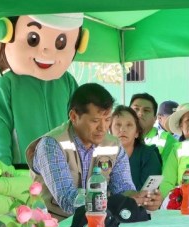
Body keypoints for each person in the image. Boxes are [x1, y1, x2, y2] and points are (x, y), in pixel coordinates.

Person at [27, 83, 159, 219]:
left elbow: (123, 189)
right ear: (73, 116)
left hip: (100, 224)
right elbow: (68, 200)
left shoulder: (114, 145)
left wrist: (139, 198)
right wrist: (114, 203)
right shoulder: (51, 145)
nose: (102, 127)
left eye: (107, 120)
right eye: (95, 120)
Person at [0, 14, 87, 166]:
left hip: (63, 167)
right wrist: (5, 172)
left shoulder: (67, 81)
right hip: (24, 169)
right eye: (33, 39)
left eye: (61, 42)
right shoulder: (5, 86)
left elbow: (79, 124)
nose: (46, 52)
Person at [110, 105, 163, 191]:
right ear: (110, 131)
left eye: (129, 125)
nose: (122, 129)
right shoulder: (100, 154)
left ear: (137, 133)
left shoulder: (149, 155)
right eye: (118, 125)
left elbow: (147, 194)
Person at [130, 93, 176, 162]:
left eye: (146, 110)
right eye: (136, 109)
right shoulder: (118, 138)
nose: (140, 113)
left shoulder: (167, 140)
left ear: (155, 118)